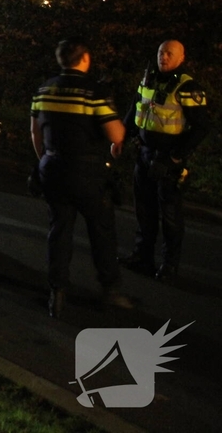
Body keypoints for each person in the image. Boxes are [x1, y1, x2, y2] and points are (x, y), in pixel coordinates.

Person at [30, 38, 129, 318]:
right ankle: (109, 291)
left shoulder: (44, 90)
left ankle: (57, 292)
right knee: (101, 232)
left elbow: (35, 133)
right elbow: (116, 135)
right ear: (84, 59)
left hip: (52, 168)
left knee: (59, 231)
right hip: (88, 173)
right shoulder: (94, 92)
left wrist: (44, 162)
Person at [119, 40, 210, 283]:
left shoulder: (187, 86)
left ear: (181, 58)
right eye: (161, 52)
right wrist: (121, 137)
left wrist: (175, 156)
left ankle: (169, 266)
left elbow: (201, 127)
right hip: (145, 153)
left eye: (170, 53)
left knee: (170, 216)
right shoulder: (149, 78)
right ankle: (142, 257)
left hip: (167, 160)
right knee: (144, 210)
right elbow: (134, 109)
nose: (164, 57)